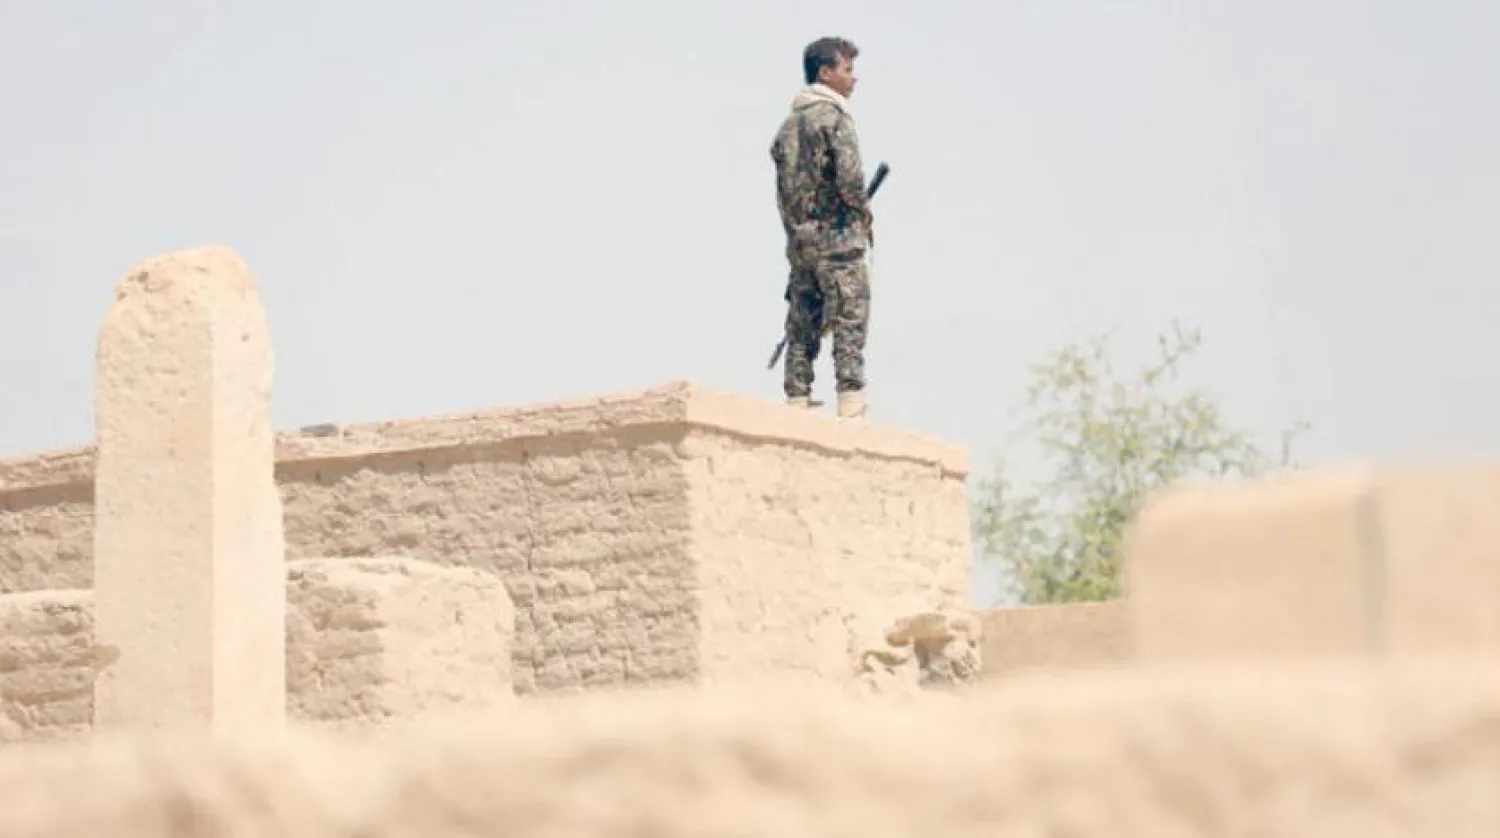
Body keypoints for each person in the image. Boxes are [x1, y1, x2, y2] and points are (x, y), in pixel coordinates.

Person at [770, 36, 873, 419]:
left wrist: (796, 230)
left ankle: (797, 396)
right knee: (849, 311)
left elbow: (783, 192)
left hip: (800, 240)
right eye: (847, 70)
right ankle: (850, 396)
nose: (854, 79)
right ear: (825, 73)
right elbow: (849, 179)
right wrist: (862, 213)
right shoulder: (834, 118)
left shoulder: (787, 127)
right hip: (837, 237)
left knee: (803, 317)